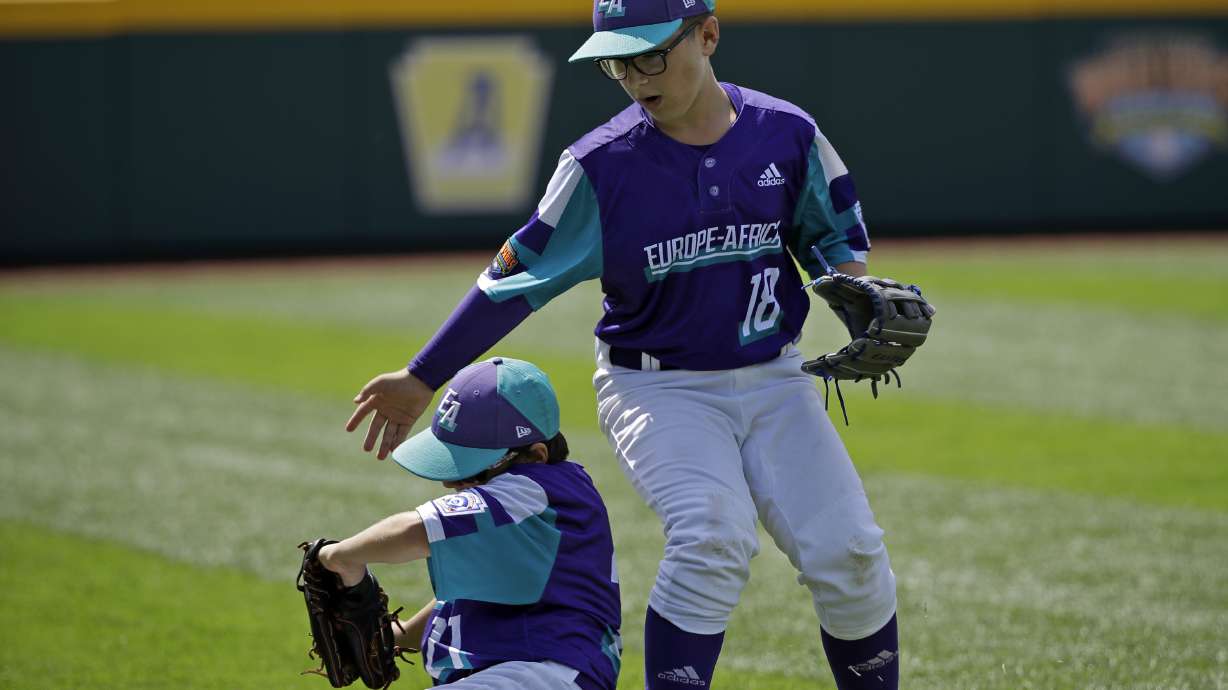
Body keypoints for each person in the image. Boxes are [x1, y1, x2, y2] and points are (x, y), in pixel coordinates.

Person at [346, 2, 899, 687]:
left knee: (852, 555)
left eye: (650, 55)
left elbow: (832, 237)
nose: (635, 77)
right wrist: (422, 376)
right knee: (711, 538)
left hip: (774, 377)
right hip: (659, 389)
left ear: (708, 35)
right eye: (617, 61)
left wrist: (854, 297)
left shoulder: (787, 135)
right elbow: (510, 285)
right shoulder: (600, 167)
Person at [323, 357, 622, 690]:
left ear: (536, 456)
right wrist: (399, 635)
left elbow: (417, 531)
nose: (452, 483)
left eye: (471, 469)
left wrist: (339, 558)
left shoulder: (538, 487)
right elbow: (471, 597)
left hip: (543, 674)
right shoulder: (529, 522)